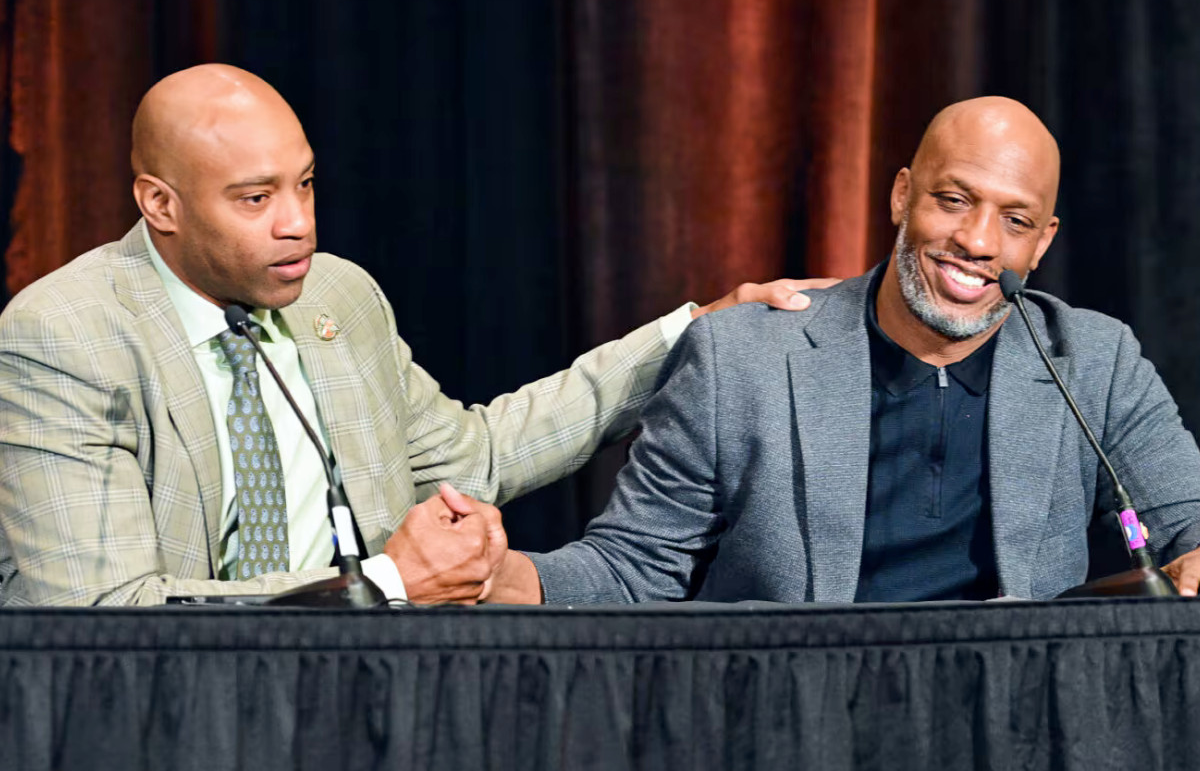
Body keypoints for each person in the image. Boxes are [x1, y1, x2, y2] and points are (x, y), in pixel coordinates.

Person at [0, 63, 833, 606]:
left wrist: (688, 336)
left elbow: (476, 458)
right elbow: (101, 613)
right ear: (161, 204)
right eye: (255, 199)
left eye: (305, 184)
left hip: (374, 699)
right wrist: (383, 585)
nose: (298, 223)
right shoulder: (65, 337)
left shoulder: (338, 296)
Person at [487, 96, 1200, 604]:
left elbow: (1188, 524)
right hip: (799, 717)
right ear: (902, 196)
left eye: (1015, 221)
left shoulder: (1094, 361)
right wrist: (496, 574)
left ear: (1042, 243)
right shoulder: (741, 359)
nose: (978, 242)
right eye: (954, 200)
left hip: (1014, 721)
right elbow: (633, 567)